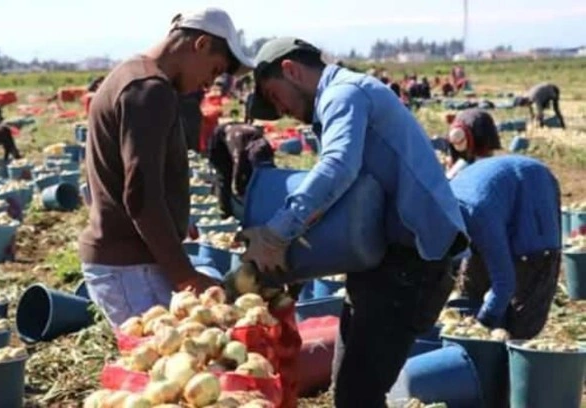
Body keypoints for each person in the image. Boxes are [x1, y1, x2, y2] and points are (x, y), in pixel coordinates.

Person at [244, 37, 469, 407]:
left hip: (413, 263)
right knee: (350, 387)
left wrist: (275, 234)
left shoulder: (343, 94)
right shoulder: (341, 98)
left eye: (275, 94)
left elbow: (336, 169)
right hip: (385, 261)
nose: (281, 109)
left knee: (358, 394)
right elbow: (347, 202)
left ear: (291, 70)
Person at [78, 7, 253, 327]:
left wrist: (174, 221)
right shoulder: (150, 90)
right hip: (130, 267)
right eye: (213, 70)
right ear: (200, 44)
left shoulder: (132, 74)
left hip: (128, 261)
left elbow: (126, 178)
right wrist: (185, 276)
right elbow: (141, 195)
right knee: (165, 367)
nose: (208, 83)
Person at [450, 155, 561, 339]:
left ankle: (510, 361)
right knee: (470, 294)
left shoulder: (478, 216)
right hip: (496, 194)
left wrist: (482, 325)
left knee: (524, 316)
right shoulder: (441, 212)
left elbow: (504, 283)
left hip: (533, 196)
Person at [208, 120, 275, 219]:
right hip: (221, 138)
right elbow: (238, 165)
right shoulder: (239, 144)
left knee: (247, 181)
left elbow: (270, 170)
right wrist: (239, 187)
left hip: (238, 133)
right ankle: (225, 212)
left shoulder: (265, 148)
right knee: (223, 176)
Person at [442, 108, 502, 178]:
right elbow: (452, 155)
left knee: (482, 165)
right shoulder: (452, 134)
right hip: (467, 123)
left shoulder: (481, 131)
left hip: (482, 125)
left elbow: (486, 153)